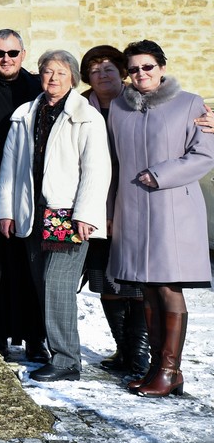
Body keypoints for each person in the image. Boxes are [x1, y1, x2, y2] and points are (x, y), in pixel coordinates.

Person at [0, 50, 111, 382]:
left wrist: (86, 214)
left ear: (73, 78)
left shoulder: (87, 117)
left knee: (57, 283)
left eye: (61, 72)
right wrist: (6, 210)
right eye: (47, 71)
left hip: (67, 212)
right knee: (41, 283)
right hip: (33, 211)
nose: (53, 78)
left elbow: (96, 169)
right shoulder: (25, 114)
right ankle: (53, 349)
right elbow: (10, 168)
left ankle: (66, 360)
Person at [107, 40, 214, 397]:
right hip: (133, 209)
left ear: (162, 68)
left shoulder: (190, 104)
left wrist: (160, 174)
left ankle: (170, 371)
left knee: (169, 286)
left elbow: (204, 155)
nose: (141, 74)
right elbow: (114, 162)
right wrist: (109, 210)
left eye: (148, 67)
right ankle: (157, 368)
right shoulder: (119, 108)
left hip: (173, 208)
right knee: (148, 288)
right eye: (134, 69)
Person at [0, 30, 47, 361]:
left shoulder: (37, 89)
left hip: (29, 190)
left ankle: (35, 338)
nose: (6, 59)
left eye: (12, 53)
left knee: (29, 268)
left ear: (23, 55)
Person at [79, 45, 147, 378]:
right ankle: (123, 349)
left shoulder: (141, 103)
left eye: (108, 68)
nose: (102, 75)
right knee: (105, 280)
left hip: (136, 201)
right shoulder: (80, 107)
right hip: (95, 203)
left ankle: (140, 353)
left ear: (121, 72)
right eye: (95, 70)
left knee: (137, 282)